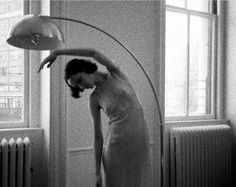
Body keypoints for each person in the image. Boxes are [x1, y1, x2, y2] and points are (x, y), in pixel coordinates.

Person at [38, 48, 153, 187]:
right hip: (116, 147)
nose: (81, 86)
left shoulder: (116, 74)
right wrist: (97, 173)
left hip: (139, 142)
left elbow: (93, 53)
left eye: (79, 80)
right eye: (78, 86)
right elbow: (97, 137)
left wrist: (57, 53)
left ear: (85, 68)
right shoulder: (94, 99)